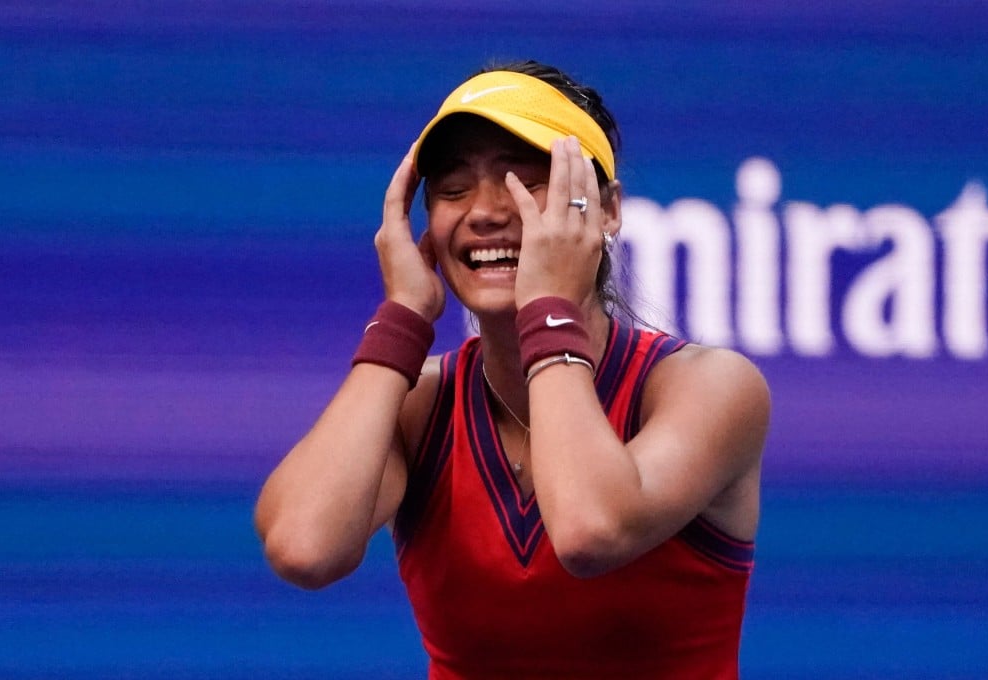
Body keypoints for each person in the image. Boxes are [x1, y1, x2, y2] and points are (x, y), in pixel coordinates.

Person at [254, 60, 770, 679]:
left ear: (606, 210)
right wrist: (400, 322)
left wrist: (548, 312)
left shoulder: (708, 386)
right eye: (451, 190)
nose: (484, 211)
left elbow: (589, 531)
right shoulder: (419, 404)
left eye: (522, 180)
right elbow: (304, 549)